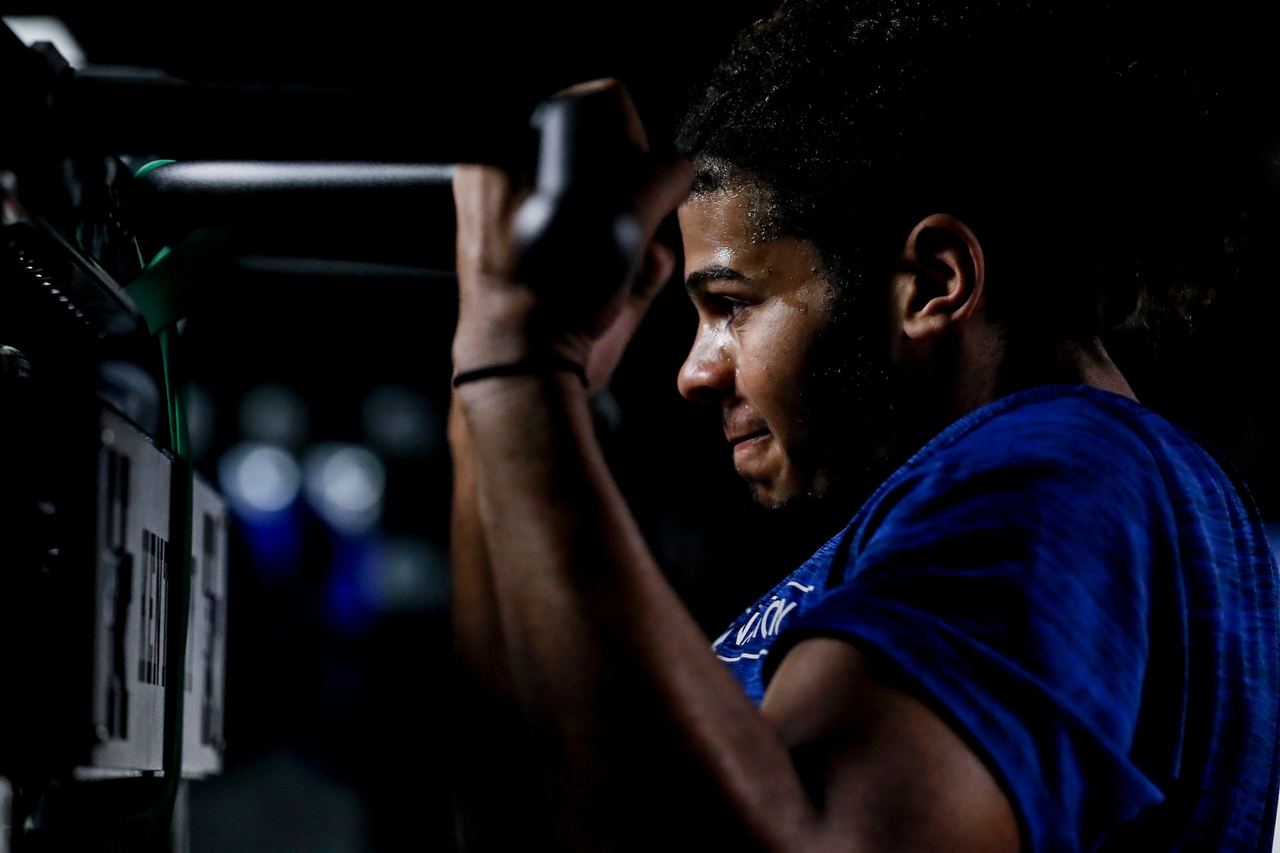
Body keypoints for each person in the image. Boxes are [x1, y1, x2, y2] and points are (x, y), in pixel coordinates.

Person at [448, 1, 1280, 850]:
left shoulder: (1063, 470)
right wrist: (507, 404)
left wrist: (520, 368)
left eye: (732, 306)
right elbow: (536, 815)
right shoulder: (1050, 495)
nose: (695, 373)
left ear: (932, 282)